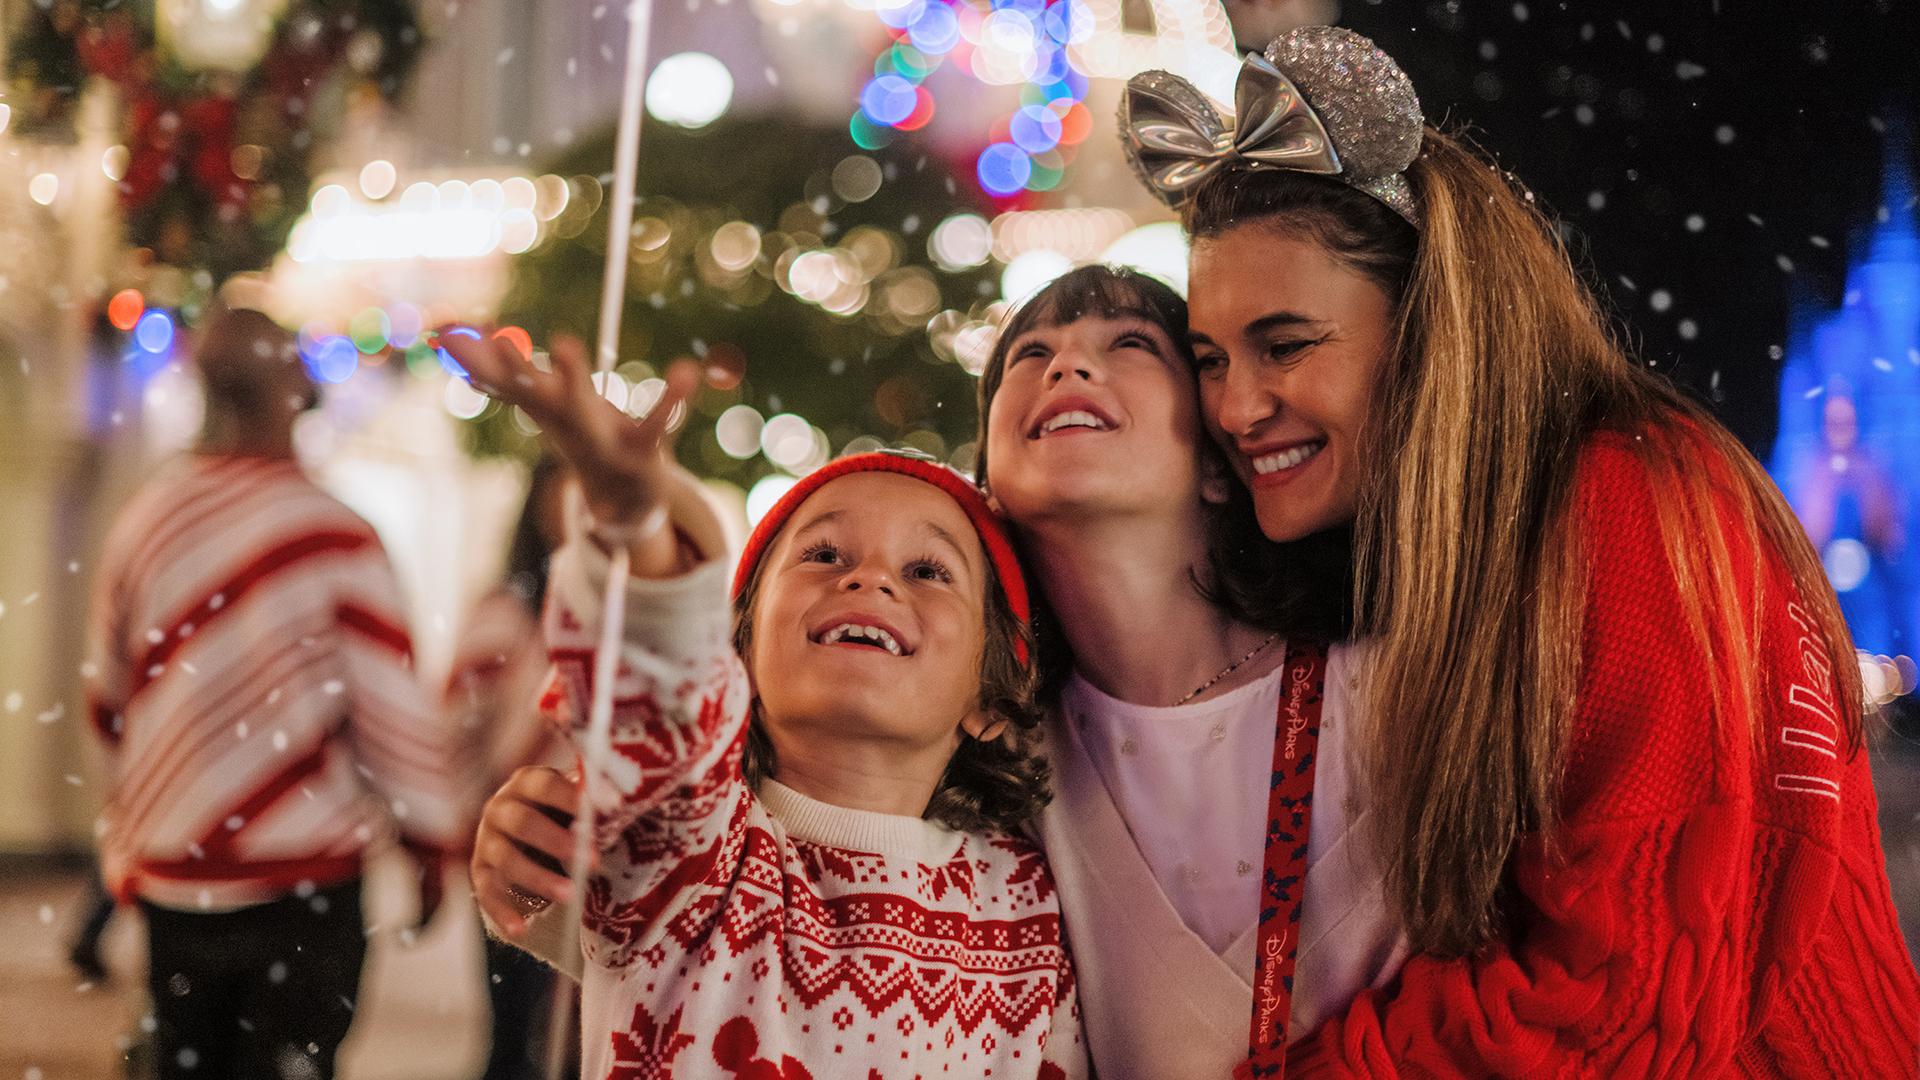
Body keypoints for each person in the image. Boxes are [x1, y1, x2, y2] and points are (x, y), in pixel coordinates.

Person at [1156, 24, 1920, 1076]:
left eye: (1286, 344)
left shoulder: (1632, 500)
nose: (1236, 406)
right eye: (1208, 357)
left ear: (1433, 324)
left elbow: (1617, 995)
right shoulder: (1456, 543)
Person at [448, 331, 1085, 1079]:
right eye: (822, 555)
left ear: (992, 703)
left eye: (927, 569)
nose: (870, 579)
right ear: (739, 653)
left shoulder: (1028, 903)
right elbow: (660, 700)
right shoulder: (692, 847)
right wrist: (638, 524)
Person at [973, 263, 1406, 1080]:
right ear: (989, 480)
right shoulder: (993, 764)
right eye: (1028, 354)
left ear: (1220, 464)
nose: (1065, 366)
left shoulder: (1395, 688)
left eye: (1130, 342)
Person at [84, 306, 468, 1080]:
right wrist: (429, 843)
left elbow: (107, 698)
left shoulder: (145, 522)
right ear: (293, 384)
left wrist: (145, 812)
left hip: (176, 870)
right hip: (305, 881)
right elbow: (388, 710)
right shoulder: (334, 532)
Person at [443, 455, 578, 1080]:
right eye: (566, 479)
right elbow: (451, 727)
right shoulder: (505, 612)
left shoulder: (641, 622)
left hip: (609, 858)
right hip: (519, 840)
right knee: (517, 1030)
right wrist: (470, 814)